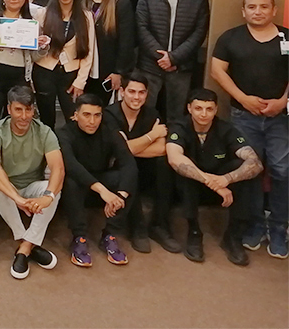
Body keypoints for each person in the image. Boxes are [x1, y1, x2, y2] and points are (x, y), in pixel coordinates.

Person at [210, 0, 288, 258]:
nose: (258, 11)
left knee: (282, 170)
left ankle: (279, 227)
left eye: (263, 6)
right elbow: (217, 70)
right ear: (244, 11)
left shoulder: (286, 38)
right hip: (244, 117)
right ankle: (254, 223)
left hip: (279, 117)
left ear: (273, 10)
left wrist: (282, 101)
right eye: (252, 7)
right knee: (250, 171)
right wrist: (243, 99)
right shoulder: (231, 38)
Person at [166, 89, 264, 265]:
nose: (204, 114)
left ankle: (233, 236)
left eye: (209, 109)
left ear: (216, 109)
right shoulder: (179, 126)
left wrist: (226, 179)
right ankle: (194, 232)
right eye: (198, 108)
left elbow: (255, 162)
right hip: (191, 189)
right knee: (187, 167)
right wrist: (210, 181)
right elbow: (174, 159)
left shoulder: (226, 129)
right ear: (189, 108)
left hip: (221, 189)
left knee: (243, 169)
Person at [0, 86, 64, 279]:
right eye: (18, 110)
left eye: (28, 110)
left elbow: (58, 168)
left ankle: (25, 247)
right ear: (9, 108)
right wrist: (17, 199)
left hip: (32, 186)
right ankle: (24, 237)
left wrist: (49, 196)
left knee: (54, 188)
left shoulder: (44, 131)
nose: (24, 116)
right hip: (8, 187)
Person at [103, 72, 180, 254]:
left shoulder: (152, 113)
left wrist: (131, 148)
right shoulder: (109, 114)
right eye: (131, 91)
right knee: (130, 167)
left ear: (146, 94)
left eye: (141, 92)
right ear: (122, 91)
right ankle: (137, 227)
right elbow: (119, 151)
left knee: (164, 163)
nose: (136, 97)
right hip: (115, 171)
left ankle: (160, 225)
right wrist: (152, 135)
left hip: (146, 169)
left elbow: (161, 148)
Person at [58, 94, 137, 267]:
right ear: (75, 115)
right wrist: (104, 192)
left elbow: (128, 163)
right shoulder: (64, 133)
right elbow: (71, 165)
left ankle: (110, 234)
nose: (92, 121)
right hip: (79, 185)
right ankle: (79, 237)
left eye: (97, 115)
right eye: (86, 115)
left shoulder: (110, 131)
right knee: (70, 181)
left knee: (127, 178)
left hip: (101, 179)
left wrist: (120, 196)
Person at [136, 0, 209, 122]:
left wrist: (174, 58)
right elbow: (141, 27)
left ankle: (174, 147)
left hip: (181, 68)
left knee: (177, 117)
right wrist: (161, 56)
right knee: (144, 115)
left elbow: (200, 31)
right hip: (150, 67)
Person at [32, 0, 95, 128]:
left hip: (71, 74)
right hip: (44, 71)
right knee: (47, 118)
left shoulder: (86, 17)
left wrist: (81, 81)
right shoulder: (43, 14)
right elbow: (32, 46)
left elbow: (90, 51)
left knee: (72, 117)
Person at [83, 0, 135, 104]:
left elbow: (126, 42)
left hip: (107, 72)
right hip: (82, 71)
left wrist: (119, 72)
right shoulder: (80, 2)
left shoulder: (121, 4)